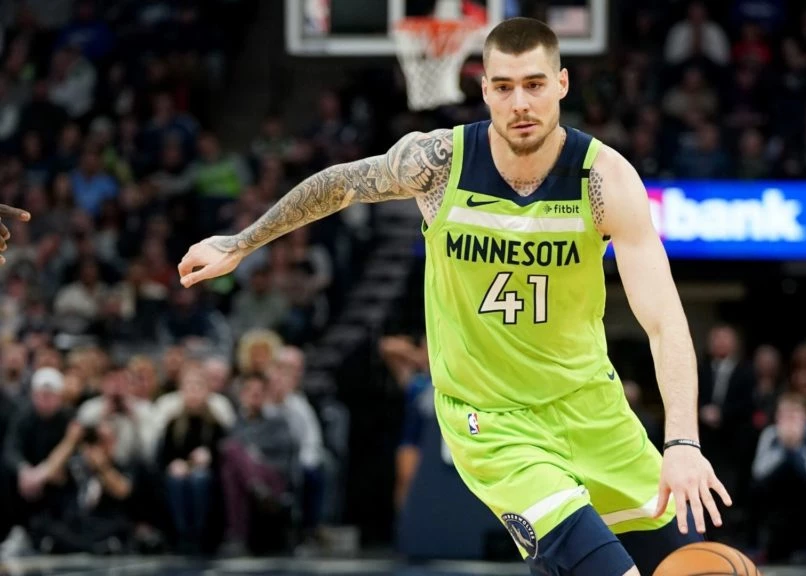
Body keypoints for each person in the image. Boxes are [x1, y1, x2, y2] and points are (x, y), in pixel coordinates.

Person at [177, 17, 729, 576]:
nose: (520, 102)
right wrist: (241, 242)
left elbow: (665, 322)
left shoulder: (604, 179)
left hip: (593, 410)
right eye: (504, 86)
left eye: (534, 84)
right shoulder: (441, 164)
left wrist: (683, 442)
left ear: (562, 84)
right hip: (492, 421)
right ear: (484, 89)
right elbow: (339, 184)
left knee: (691, 564)